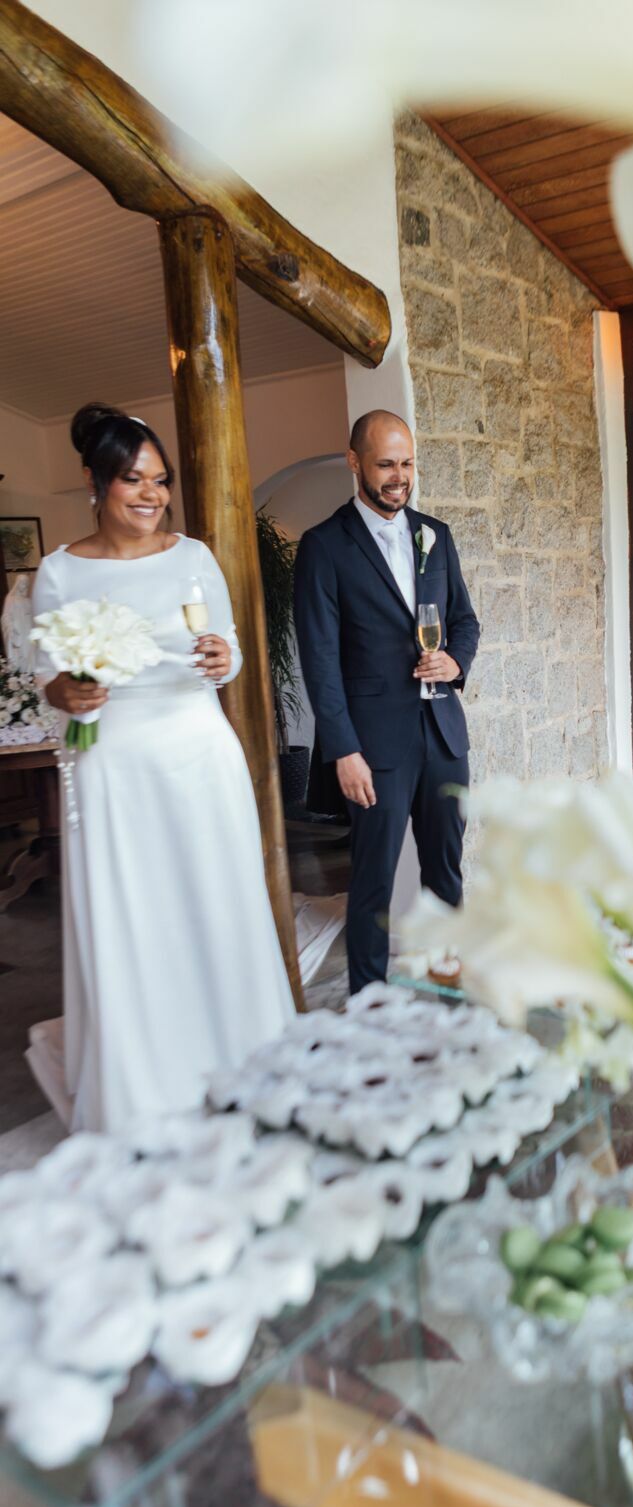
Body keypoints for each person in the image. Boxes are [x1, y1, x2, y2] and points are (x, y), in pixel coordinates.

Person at [28, 403, 294, 1132]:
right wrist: (68, 692)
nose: (152, 494)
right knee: (135, 915)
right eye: (133, 479)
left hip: (198, 750)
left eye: (160, 479)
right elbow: (48, 676)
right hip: (112, 761)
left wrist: (223, 658)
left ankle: (241, 1056)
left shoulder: (194, 557)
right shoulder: (59, 572)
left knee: (216, 900)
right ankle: (146, 1081)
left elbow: (227, 649)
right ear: (96, 481)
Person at [294, 409, 480, 992]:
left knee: (446, 874)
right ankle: (370, 1006)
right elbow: (320, 660)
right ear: (354, 463)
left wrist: (455, 663)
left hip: (443, 732)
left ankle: (444, 988)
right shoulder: (324, 546)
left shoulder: (435, 535)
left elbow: (465, 621)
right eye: (386, 465)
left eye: (407, 464)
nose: (400, 477)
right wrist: (344, 750)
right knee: (372, 881)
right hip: (374, 746)